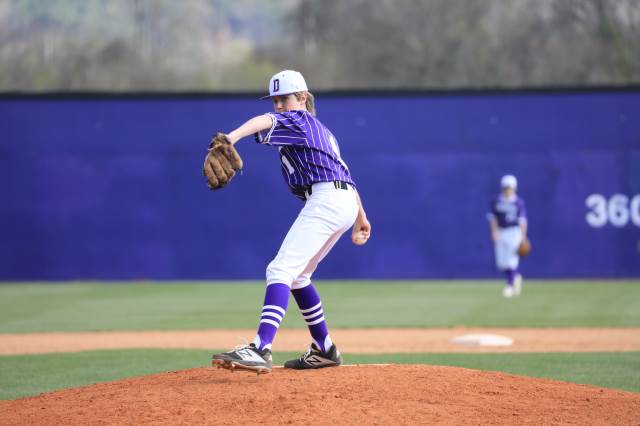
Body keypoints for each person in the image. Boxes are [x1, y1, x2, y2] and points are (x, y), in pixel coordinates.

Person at [211, 70, 371, 374]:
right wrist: (360, 216)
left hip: (326, 199)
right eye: (275, 100)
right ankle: (324, 348)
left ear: (303, 98)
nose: (279, 106)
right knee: (299, 277)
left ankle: (261, 347)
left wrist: (231, 138)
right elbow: (344, 173)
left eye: (284, 98)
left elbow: (264, 121)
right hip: (342, 200)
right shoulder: (321, 131)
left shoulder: (299, 119)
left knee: (280, 270)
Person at [487, 174, 527, 298]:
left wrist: (523, 236)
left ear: (514, 188)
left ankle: (510, 285)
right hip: (501, 231)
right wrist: (494, 232)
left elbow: (522, 221)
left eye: (510, 188)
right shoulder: (496, 201)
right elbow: (492, 218)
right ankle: (515, 277)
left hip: (514, 231)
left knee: (511, 260)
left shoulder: (518, 202)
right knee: (501, 263)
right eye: (506, 188)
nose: (508, 190)